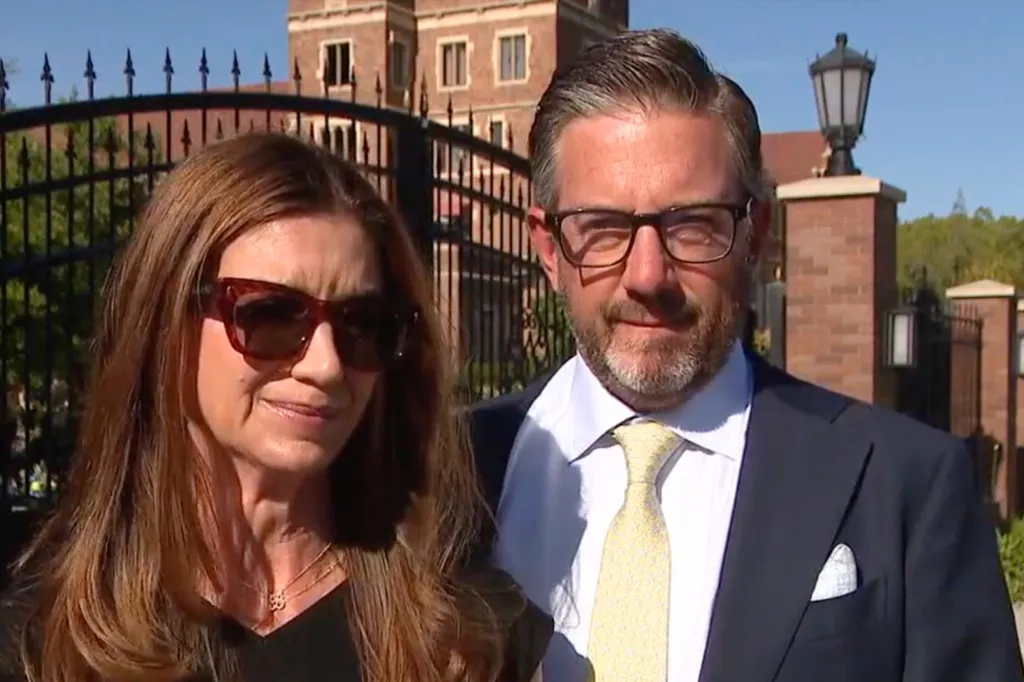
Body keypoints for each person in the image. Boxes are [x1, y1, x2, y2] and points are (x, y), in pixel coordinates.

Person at [470, 28, 1024, 682]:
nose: (648, 275)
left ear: (754, 234)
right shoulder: (452, 470)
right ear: (548, 246)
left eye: (693, 225)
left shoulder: (906, 485)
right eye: (604, 229)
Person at [0, 132, 551, 682]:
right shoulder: (44, 647)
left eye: (362, 326)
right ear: (167, 328)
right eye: (270, 314)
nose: (327, 365)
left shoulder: (469, 639)